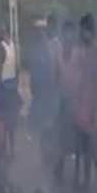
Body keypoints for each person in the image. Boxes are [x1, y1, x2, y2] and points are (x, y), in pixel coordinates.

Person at [73, 14, 97, 189]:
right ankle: (80, 176)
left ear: (90, 31)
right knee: (79, 144)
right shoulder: (82, 49)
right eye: (81, 30)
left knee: (89, 144)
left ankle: (89, 178)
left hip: (89, 103)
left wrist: (94, 108)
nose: (81, 33)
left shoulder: (96, 51)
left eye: (84, 30)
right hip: (80, 101)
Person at [28, 14, 61, 158]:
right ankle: (41, 147)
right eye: (37, 30)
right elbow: (34, 68)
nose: (40, 33)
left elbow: (56, 68)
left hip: (51, 89)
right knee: (40, 119)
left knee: (50, 119)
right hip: (40, 89)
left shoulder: (54, 45)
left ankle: (50, 148)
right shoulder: (36, 48)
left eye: (42, 30)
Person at [53, 20, 79, 183]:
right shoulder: (59, 54)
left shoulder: (78, 53)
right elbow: (56, 77)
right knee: (62, 136)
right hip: (63, 101)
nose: (67, 37)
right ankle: (61, 168)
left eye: (70, 33)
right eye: (65, 34)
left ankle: (77, 174)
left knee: (77, 140)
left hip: (76, 102)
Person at [0, 27, 21, 157]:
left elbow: (0, 68)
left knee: (6, 120)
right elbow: (16, 68)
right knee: (10, 121)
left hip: (6, 89)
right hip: (10, 88)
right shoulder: (12, 46)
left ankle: (7, 148)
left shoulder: (2, 47)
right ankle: (9, 148)